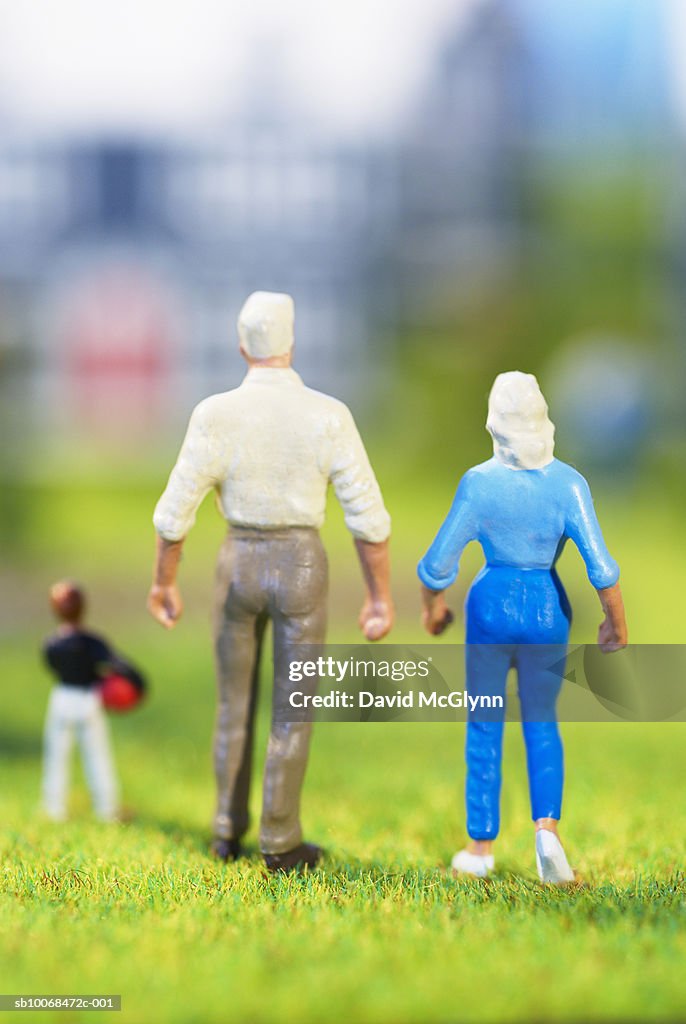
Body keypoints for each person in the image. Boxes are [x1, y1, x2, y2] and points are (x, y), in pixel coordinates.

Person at [148, 290, 393, 872]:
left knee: (233, 703)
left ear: (241, 346)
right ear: (291, 343)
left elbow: (173, 512)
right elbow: (368, 517)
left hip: (238, 558)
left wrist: (165, 582)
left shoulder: (214, 414)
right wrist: (379, 596)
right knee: (293, 708)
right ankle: (280, 838)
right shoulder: (328, 415)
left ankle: (226, 828)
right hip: (302, 562)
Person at [418, 371, 627, 884]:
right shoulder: (568, 484)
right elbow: (602, 569)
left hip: (489, 608)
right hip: (546, 610)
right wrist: (615, 625)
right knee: (541, 721)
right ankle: (547, 832)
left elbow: (435, 564)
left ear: (495, 424)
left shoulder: (479, 483)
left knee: (484, 722)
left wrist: (433, 611)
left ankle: (480, 847)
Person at [42, 580, 144, 822]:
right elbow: (119, 664)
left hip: (62, 698)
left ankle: (53, 808)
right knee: (97, 755)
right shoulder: (92, 642)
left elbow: (54, 666)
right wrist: (136, 683)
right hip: (88, 699)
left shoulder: (50, 644)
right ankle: (106, 808)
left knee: (57, 755)